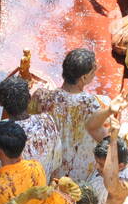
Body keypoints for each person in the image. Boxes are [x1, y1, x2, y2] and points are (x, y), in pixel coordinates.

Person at [29, 48, 111, 185]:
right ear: (84, 78)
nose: (95, 74)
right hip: (78, 177)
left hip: (47, 171)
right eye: (93, 72)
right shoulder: (96, 105)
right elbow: (107, 139)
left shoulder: (42, 97)